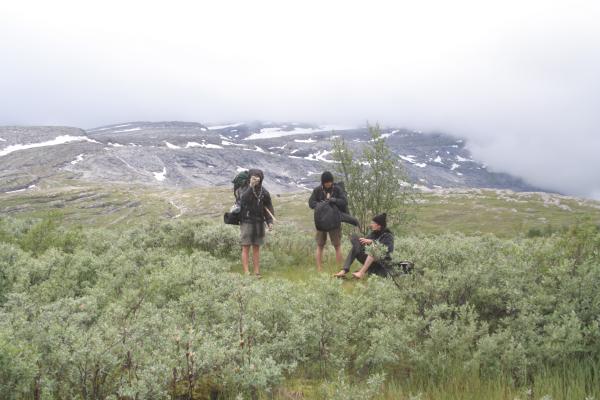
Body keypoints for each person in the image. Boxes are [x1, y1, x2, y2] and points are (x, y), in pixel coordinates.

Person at [333, 213, 394, 279]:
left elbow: (388, 250)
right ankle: (344, 270)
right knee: (355, 243)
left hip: (381, 262)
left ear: (379, 225)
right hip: (370, 259)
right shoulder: (373, 233)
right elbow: (365, 245)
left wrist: (372, 242)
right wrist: (361, 241)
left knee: (373, 249)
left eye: (373, 223)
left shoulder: (388, 236)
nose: (371, 225)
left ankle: (361, 272)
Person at [308, 171, 347, 271]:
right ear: (323, 182)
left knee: (337, 245)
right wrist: (322, 205)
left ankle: (340, 269)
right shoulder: (317, 190)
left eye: (330, 182)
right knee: (320, 245)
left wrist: (333, 200)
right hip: (321, 222)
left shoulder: (337, 189)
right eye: (326, 182)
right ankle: (319, 269)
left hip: (334, 221)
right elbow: (311, 203)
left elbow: (344, 202)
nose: (328, 184)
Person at [239, 169, 274, 277]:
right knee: (245, 246)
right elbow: (243, 199)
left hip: (259, 222)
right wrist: (251, 186)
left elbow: (268, 206)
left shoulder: (264, 192)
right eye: (253, 177)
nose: (256, 179)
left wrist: (269, 221)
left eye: (258, 177)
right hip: (246, 221)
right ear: (249, 177)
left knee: (256, 247)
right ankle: (246, 272)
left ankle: (257, 272)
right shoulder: (244, 189)